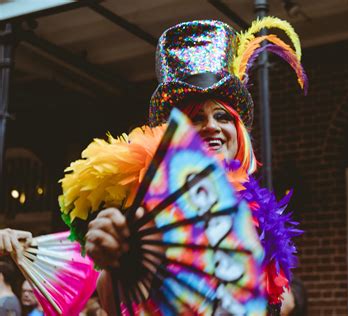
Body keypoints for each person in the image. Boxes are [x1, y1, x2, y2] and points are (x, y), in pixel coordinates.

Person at [59, 18, 307, 315]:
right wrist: (118, 260)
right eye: (196, 118)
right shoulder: (156, 207)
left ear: (238, 131)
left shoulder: (259, 215)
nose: (212, 127)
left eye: (222, 117)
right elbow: (117, 299)